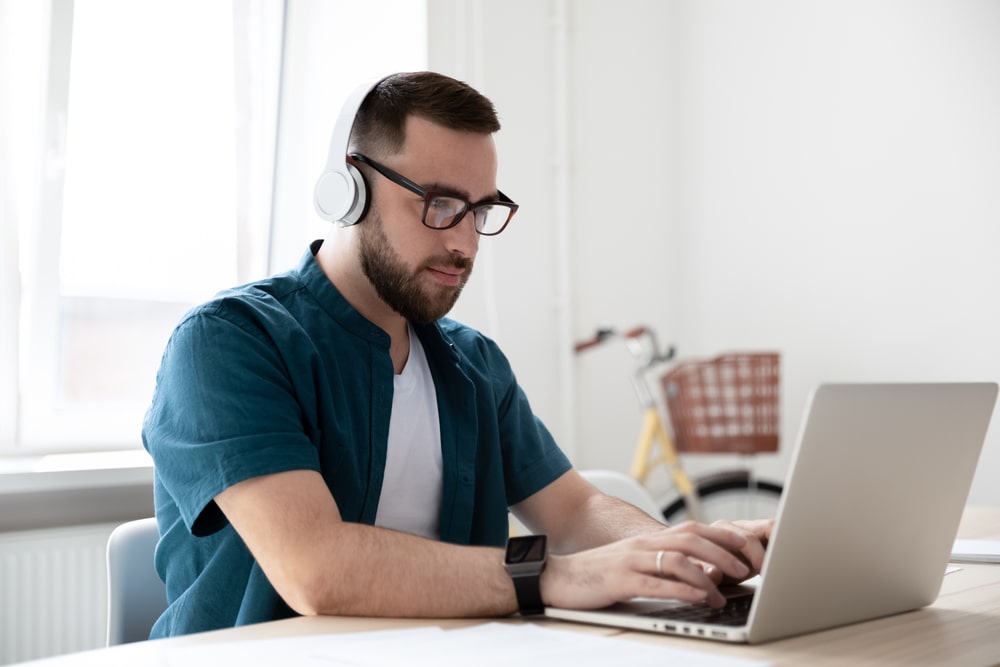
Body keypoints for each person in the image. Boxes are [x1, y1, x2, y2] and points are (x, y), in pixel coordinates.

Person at [142, 71, 771, 638]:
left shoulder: (473, 362)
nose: (466, 243)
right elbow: (317, 569)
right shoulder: (229, 341)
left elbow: (575, 509)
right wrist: (553, 576)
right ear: (348, 190)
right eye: (440, 205)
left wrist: (684, 551)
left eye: (481, 210)